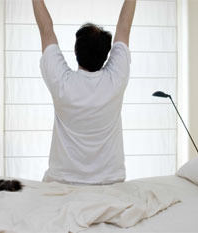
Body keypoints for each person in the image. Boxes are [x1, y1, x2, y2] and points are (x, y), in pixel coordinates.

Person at [32, 0, 137, 185]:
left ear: (75, 51)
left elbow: (46, 29)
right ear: (107, 55)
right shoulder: (116, 79)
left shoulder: (62, 83)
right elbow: (124, 27)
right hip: (110, 183)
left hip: (61, 184)